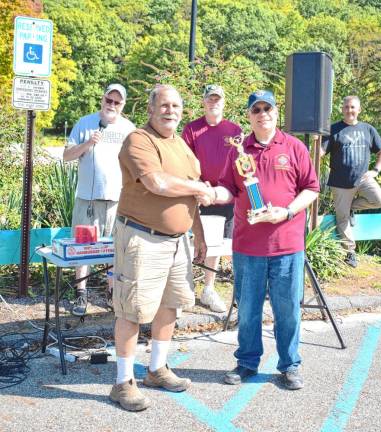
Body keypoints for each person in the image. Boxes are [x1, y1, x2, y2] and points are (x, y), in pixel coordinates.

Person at [203, 90, 319, 390]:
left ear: (276, 111)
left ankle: (290, 365)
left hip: (287, 246)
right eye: (256, 109)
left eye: (267, 107)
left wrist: (288, 211)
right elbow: (229, 189)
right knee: (248, 309)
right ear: (249, 115)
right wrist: (215, 194)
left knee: (288, 310)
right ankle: (247, 362)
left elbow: (311, 189)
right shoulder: (238, 150)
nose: (263, 113)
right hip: (248, 246)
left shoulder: (293, 147)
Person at [109, 84, 211, 412]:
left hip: (178, 242)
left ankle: (157, 369)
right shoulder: (139, 140)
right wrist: (198, 186)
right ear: (151, 110)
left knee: (170, 306)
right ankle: (123, 382)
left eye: (176, 106)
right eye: (164, 105)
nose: (170, 110)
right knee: (132, 310)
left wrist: (198, 234)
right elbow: (157, 182)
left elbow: (191, 198)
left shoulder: (182, 146)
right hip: (142, 237)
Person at [63, 84, 135, 316]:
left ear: (123, 105)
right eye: (109, 100)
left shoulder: (128, 128)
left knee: (115, 248)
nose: (112, 105)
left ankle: (111, 290)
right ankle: (81, 293)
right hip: (88, 199)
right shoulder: (85, 123)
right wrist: (87, 144)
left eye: (117, 102)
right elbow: (66, 156)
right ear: (102, 99)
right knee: (83, 247)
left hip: (118, 200)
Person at [182, 84, 242, 313]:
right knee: (190, 244)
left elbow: (240, 164)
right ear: (204, 101)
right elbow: (185, 160)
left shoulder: (235, 130)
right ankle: (186, 288)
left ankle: (208, 288)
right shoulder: (192, 129)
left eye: (218, 99)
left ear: (223, 102)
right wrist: (198, 185)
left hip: (225, 197)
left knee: (216, 246)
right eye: (210, 99)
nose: (213, 103)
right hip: (197, 195)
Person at [321, 95, 381, 268]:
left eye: (353, 107)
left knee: (379, 200)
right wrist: (314, 144)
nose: (350, 110)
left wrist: (376, 171)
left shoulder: (368, 129)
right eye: (347, 107)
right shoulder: (333, 129)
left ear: (359, 110)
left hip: (363, 179)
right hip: (340, 182)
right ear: (342, 109)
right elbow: (319, 153)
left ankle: (351, 208)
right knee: (342, 219)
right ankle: (350, 253)